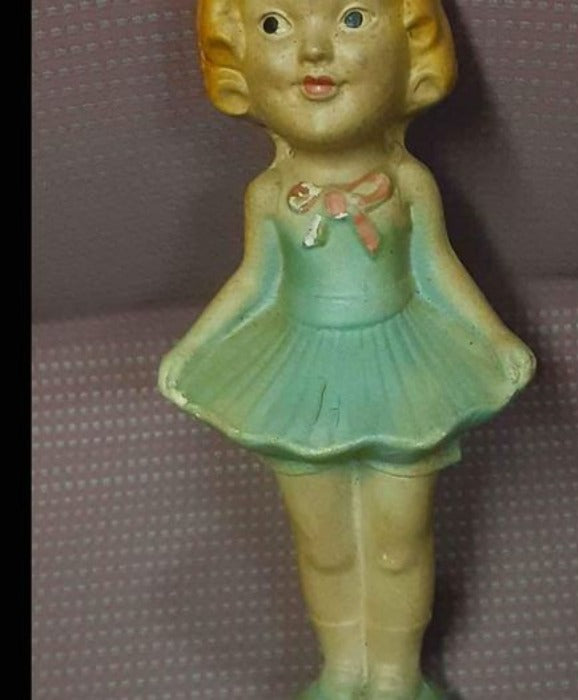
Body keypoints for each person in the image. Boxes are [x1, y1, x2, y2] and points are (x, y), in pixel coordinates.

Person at [159, 1, 536, 698]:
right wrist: (193, 345)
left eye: (352, 18)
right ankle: (340, 666)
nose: (314, 51)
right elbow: (254, 282)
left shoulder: (409, 185)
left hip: (407, 368)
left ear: (413, 51)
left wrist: (493, 335)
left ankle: (395, 673)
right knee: (323, 543)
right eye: (274, 24)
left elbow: (438, 268)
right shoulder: (270, 194)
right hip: (299, 375)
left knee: (400, 539)